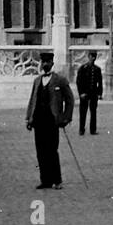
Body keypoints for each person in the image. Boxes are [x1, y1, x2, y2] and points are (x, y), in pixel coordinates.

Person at [25, 50, 74, 189]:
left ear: (52, 63)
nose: (45, 64)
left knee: (52, 150)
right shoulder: (37, 81)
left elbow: (70, 100)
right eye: (43, 62)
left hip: (52, 121)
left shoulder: (60, 80)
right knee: (40, 151)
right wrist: (29, 119)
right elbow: (32, 100)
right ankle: (45, 180)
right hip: (39, 121)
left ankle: (57, 180)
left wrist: (66, 118)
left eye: (47, 62)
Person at [75, 50, 104, 136]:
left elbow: (100, 82)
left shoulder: (97, 69)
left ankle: (93, 129)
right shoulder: (83, 68)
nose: (93, 58)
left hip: (93, 93)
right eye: (91, 56)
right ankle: (81, 129)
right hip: (85, 93)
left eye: (94, 56)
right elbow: (78, 82)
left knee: (93, 112)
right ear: (89, 57)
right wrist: (81, 93)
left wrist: (99, 93)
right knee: (83, 112)